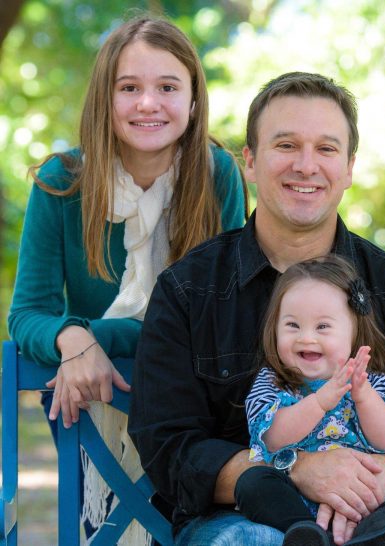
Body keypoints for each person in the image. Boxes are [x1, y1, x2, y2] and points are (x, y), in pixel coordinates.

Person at [128, 72, 385, 546]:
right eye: (286, 145)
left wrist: (371, 478)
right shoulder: (189, 290)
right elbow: (169, 446)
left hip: (380, 519)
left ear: (348, 168)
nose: (306, 166)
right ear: (250, 161)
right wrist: (294, 469)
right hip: (238, 522)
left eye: (326, 149)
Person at [8, 14, 246, 541]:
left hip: (195, 417)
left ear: (193, 99)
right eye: (129, 87)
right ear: (105, 98)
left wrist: (92, 335)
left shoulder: (217, 175)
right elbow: (26, 314)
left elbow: (216, 322)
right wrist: (70, 339)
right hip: (91, 414)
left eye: (168, 87)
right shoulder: (63, 182)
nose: (148, 103)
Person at [237, 255, 385, 546]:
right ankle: (306, 534)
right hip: (299, 495)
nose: (306, 338)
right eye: (292, 325)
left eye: (322, 327)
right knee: (252, 483)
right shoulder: (273, 382)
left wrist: (363, 396)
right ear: (274, 328)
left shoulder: (375, 382)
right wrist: (320, 402)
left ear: (354, 332)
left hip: (374, 497)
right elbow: (273, 439)